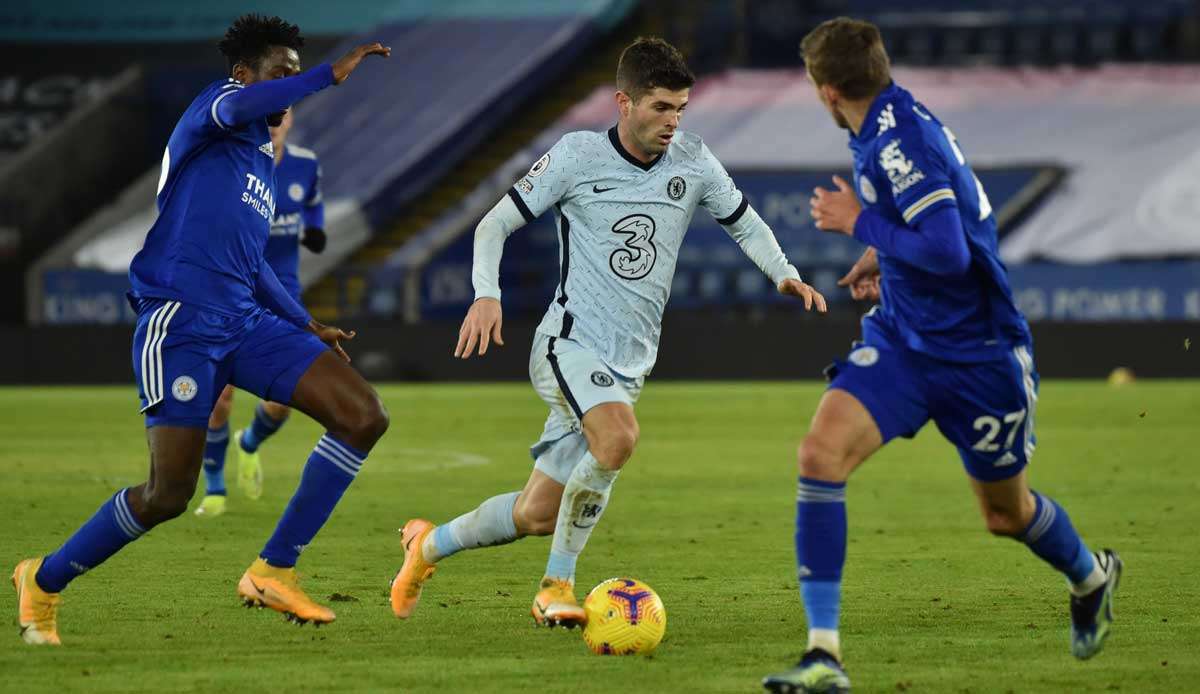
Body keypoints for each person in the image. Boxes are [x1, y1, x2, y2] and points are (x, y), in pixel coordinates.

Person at [389, 36, 827, 628]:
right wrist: (486, 294)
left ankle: (427, 546)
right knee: (617, 438)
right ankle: (555, 587)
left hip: (629, 364)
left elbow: (744, 224)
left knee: (536, 513)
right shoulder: (575, 157)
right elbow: (492, 226)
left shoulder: (693, 160)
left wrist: (785, 275)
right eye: (660, 108)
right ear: (624, 102)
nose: (673, 121)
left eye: (680, 109)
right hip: (567, 344)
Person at [762, 18, 1121, 693]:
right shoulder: (887, 124)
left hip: (980, 355)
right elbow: (938, 222)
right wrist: (883, 256)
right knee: (820, 454)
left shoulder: (900, 142)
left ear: (828, 89)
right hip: (903, 340)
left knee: (1004, 515)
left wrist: (857, 225)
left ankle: (1092, 577)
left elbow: (952, 253)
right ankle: (824, 656)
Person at [13, 14, 390, 645]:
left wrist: (305, 322)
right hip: (180, 322)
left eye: (295, 73)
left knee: (362, 415)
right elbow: (258, 101)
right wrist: (326, 74)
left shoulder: (259, 170)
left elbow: (252, 265)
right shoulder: (214, 110)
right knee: (167, 494)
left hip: (244, 320)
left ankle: (273, 569)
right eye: (280, 72)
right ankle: (43, 580)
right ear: (243, 75)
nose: (288, 85)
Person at [196, 108, 328, 517]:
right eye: (270, 116)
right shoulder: (237, 164)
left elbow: (313, 206)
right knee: (219, 397)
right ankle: (215, 489)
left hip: (283, 295)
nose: (276, 121)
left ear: (291, 121)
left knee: (285, 398)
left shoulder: (306, 165)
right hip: (232, 292)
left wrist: (315, 229)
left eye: (283, 115)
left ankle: (249, 442)